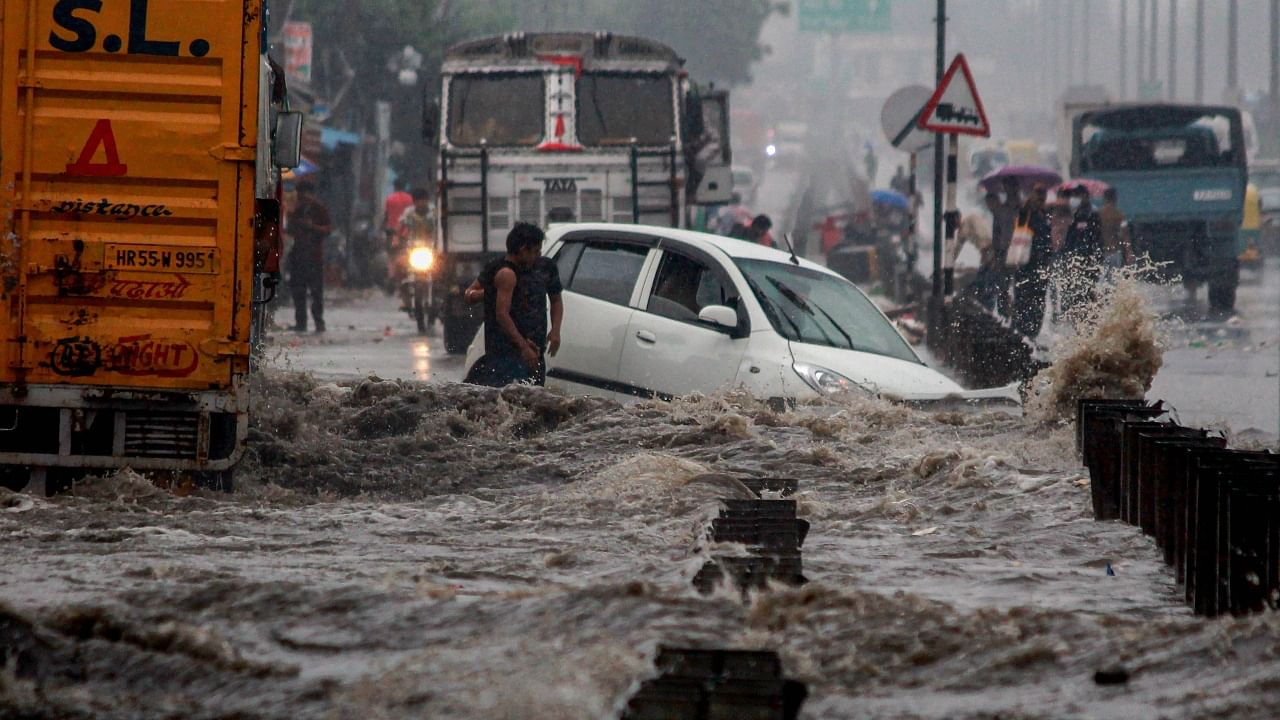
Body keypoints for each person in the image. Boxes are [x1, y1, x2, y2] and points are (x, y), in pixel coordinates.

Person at [463, 223, 564, 387]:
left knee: (533, 401)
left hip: (534, 350)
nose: (538, 255)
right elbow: (471, 296)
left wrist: (556, 330)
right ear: (524, 249)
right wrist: (490, 292)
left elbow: (556, 299)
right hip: (504, 351)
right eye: (536, 251)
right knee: (506, 398)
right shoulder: (500, 270)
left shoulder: (545, 268)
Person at [286, 179, 332, 333]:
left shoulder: (319, 209)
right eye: (300, 195)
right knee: (298, 291)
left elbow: (327, 229)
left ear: (311, 194)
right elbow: (290, 229)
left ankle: (319, 322)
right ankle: (301, 323)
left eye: (304, 194)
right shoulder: (297, 210)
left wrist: (312, 227)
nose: (302, 197)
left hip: (314, 257)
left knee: (316, 292)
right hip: (298, 256)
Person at [1011, 185, 1054, 339]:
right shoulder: (1026, 212)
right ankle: (1020, 334)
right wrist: (1027, 205)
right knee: (1023, 299)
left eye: (1043, 194)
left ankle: (1032, 334)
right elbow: (1020, 219)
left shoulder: (1045, 215)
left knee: (1038, 301)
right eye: (1038, 193)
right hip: (1026, 264)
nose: (1041, 197)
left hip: (1041, 266)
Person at [1059, 185, 1104, 316]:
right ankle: (1080, 318)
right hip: (1076, 260)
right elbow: (1070, 239)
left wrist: (1096, 260)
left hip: (1090, 260)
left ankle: (1091, 317)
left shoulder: (1093, 214)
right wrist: (1068, 257)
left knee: (1089, 291)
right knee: (1076, 291)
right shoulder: (1076, 215)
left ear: (1085, 196)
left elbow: (1098, 239)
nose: (1076, 199)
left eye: (1078, 196)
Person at [394, 188, 436, 311]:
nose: (421, 204)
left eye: (423, 201)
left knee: (443, 270)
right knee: (399, 267)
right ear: (414, 202)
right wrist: (396, 239)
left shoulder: (434, 212)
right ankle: (405, 299)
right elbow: (400, 225)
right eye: (418, 201)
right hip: (412, 249)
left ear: (427, 201)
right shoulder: (409, 213)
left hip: (432, 249)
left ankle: (440, 297)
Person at [1098, 187, 1133, 271]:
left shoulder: (1099, 214)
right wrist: (1129, 252)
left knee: (1102, 278)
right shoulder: (1119, 215)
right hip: (1115, 251)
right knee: (1115, 278)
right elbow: (1125, 234)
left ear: (1104, 198)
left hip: (1102, 251)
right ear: (1115, 198)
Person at [383, 178, 414, 243]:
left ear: (395, 187)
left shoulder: (390, 198)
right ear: (404, 187)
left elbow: (386, 215)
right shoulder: (410, 198)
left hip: (392, 231)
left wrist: (382, 227)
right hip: (405, 231)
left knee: (391, 251)